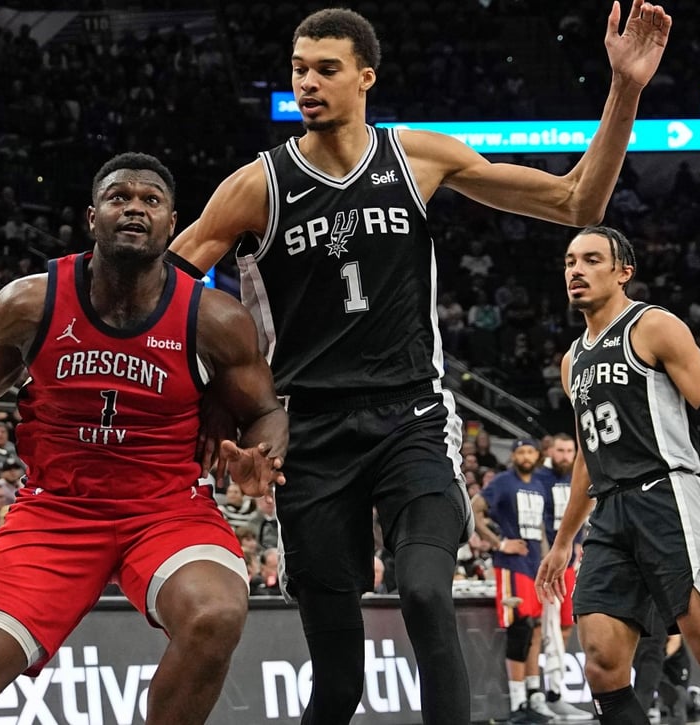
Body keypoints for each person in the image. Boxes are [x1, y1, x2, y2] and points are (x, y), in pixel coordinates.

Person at [166, 6, 671, 721]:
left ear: (366, 77)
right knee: (338, 680)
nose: (308, 82)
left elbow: (576, 199)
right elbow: (166, 285)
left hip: (411, 416)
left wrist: (624, 89)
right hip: (307, 432)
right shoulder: (258, 185)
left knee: (429, 591)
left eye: (326, 69)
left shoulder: (418, 156)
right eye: (299, 69)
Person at [0, 152, 288, 725]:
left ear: (172, 224)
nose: (134, 208)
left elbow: (266, 411)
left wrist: (261, 453)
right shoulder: (29, 303)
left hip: (167, 508)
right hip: (56, 510)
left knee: (214, 616)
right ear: (92, 217)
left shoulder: (214, 318)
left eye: (150, 200)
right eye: (120, 198)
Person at [535, 227, 700, 724]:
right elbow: (588, 454)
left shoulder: (652, 325)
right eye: (569, 261)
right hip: (609, 513)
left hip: (667, 495)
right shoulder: (572, 361)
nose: (576, 270)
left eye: (590, 260)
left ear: (623, 271)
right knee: (603, 663)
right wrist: (564, 539)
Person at [471, 439, 554, 723]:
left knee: (534, 631)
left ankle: (534, 696)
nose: (526, 456)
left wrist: (545, 561)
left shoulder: (540, 484)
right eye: (520, 451)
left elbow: (541, 528)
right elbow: (474, 509)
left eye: (530, 451)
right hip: (511, 566)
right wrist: (500, 543)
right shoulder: (504, 482)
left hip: (533, 566)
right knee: (520, 628)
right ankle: (518, 704)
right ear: (514, 456)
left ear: (538, 455)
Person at [539, 433, 595, 722]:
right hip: (547, 565)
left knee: (563, 627)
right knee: (545, 630)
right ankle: (550, 693)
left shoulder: (577, 478)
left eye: (570, 450)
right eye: (560, 450)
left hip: (573, 565)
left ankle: (555, 690)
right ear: (549, 451)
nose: (565, 455)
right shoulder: (540, 479)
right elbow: (538, 522)